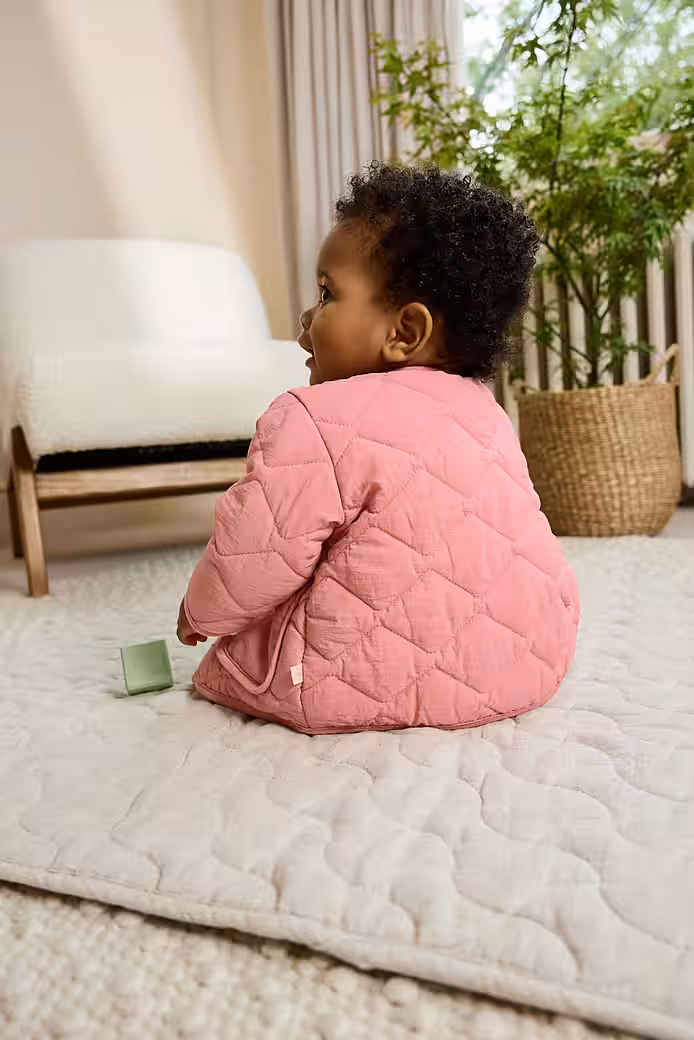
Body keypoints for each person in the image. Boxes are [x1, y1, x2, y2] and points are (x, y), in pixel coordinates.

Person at [177, 161, 579, 735]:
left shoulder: (311, 418)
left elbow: (254, 555)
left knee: (242, 655)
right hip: (530, 663)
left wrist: (201, 613)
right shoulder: (483, 409)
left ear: (404, 332)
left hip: (351, 683)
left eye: (327, 294)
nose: (306, 317)